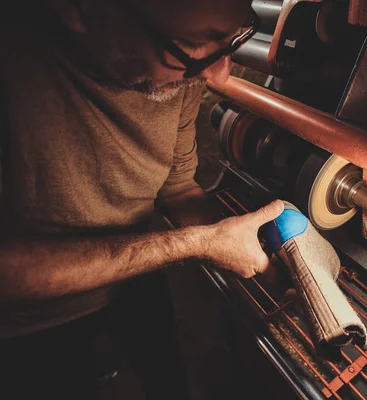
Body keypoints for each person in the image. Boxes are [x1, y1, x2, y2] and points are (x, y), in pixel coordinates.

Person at [0, 0, 283, 398]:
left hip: (138, 282)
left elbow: (179, 187)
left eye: (233, 36)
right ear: (79, 11)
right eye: (196, 42)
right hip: (33, 327)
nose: (219, 76)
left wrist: (254, 246)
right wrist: (197, 243)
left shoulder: (183, 74)